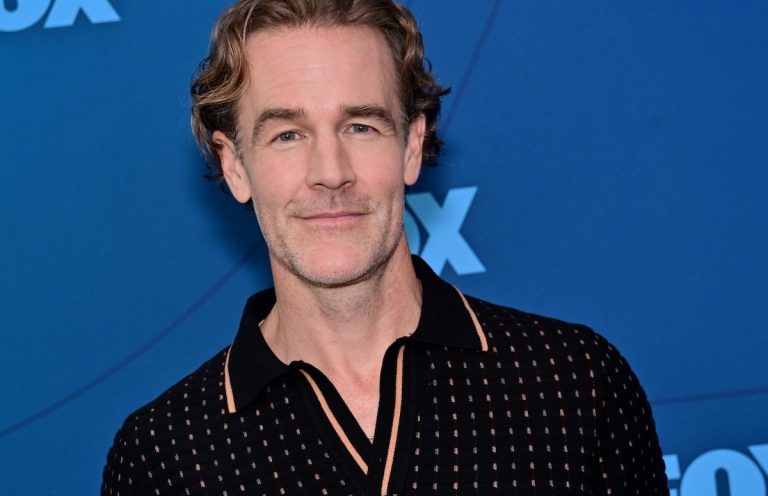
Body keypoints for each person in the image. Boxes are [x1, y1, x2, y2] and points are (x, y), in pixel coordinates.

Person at [102, 0, 669, 494]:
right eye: (288, 135)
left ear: (412, 146)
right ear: (236, 167)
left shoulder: (573, 382)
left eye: (360, 126)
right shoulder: (166, 457)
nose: (331, 173)